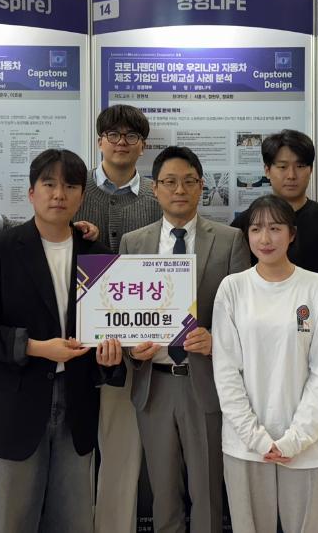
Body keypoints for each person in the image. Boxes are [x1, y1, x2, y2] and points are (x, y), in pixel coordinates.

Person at [0, 149, 123, 532]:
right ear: (31, 192)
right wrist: (36, 347)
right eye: (49, 184)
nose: (59, 194)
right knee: (9, 522)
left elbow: (105, 332)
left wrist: (109, 357)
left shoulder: (97, 255)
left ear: (82, 196)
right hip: (10, 407)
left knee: (73, 522)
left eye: (70, 186)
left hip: (76, 408)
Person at [230, 129, 318, 530]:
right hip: (258, 381)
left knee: (315, 483)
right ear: (266, 170)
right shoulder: (243, 225)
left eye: (300, 166)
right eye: (281, 166)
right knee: (257, 489)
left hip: (317, 376)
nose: (291, 175)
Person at [121, 146, 250, 533]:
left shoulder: (230, 240)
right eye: (170, 182)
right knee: (163, 494)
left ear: (201, 186)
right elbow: (120, 312)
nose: (180, 190)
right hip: (154, 384)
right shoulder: (133, 243)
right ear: (155, 188)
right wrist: (131, 347)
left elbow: (246, 317)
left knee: (208, 492)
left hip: (206, 383)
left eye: (189, 181)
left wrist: (218, 341)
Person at [213, 194, 318, 533]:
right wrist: (256, 438)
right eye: (256, 229)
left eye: (275, 228)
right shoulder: (233, 288)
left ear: (292, 234)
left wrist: (297, 438)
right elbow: (226, 371)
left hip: (309, 440)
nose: (265, 238)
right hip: (245, 442)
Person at [75, 104, 162, 533]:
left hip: (132, 345)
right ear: (99, 141)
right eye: (113, 134)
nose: (121, 142)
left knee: (122, 452)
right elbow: (37, 227)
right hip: (72, 341)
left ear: (143, 146)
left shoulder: (157, 198)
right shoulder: (75, 189)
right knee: (72, 452)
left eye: (131, 136)